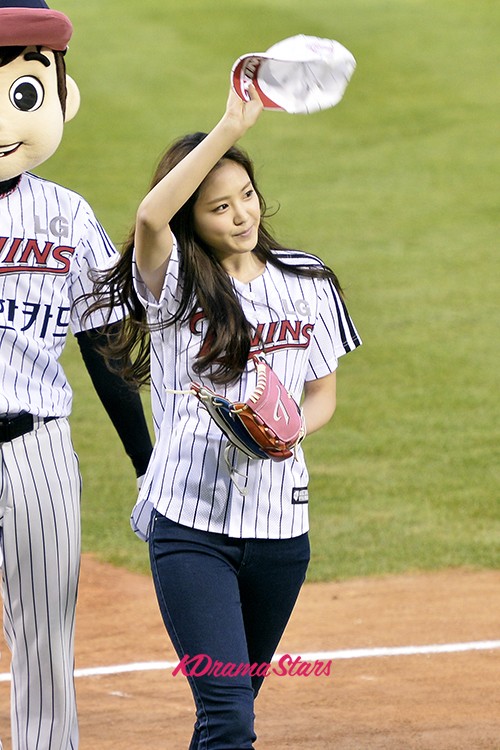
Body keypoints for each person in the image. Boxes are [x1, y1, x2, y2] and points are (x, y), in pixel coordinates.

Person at [89, 83, 361, 748]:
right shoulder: (177, 282)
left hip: (280, 532)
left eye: (245, 196)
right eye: (217, 207)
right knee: (231, 714)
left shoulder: (308, 279)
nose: (240, 214)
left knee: (229, 710)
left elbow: (324, 392)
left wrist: (289, 427)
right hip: (190, 528)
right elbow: (152, 219)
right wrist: (229, 128)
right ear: (195, 218)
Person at [0, 2, 153, 748]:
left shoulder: (64, 217)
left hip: (38, 448)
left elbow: (104, 345)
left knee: (45, 633)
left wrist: (146, 461)